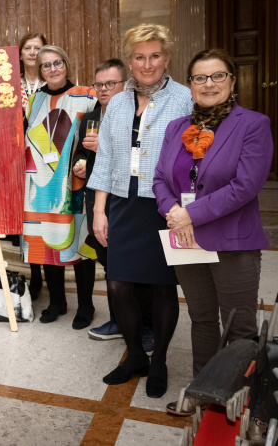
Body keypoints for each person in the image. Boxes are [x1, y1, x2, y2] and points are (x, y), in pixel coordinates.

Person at [153, 49, 272, 415]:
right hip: (186, 243)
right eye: (200, 78)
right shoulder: (176, 127)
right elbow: (159, 179)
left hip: (233, 240)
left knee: (238, 326)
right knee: (202, 320)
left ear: (232, 82)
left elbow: (245, 186)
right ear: (189, 85)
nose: (208, 84)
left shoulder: (252, 124)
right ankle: (200, 392)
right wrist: (172, 210)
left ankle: (239, 401)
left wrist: (188, 214)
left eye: (218, 76)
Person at [89, 24, 193, 398]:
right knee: (118, 284)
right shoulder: (116, 101)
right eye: (139, 56)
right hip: (122, 201)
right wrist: (99, 210)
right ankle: (135, 355)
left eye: (154, 56)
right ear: (129, 60)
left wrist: (189, 208)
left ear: (166, 58)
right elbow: (105, 157)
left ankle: (160, 360)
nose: (147, 64)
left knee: (164, 287)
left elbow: (196, 157)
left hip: (165, 204)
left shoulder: (184, 98)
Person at [77, 60, 155, 348]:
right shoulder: (89, 118)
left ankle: (146, 325)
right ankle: (119, 320)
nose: (104, 90)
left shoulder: (138, 115)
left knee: (137, 265)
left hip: (127, 199)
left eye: (111, 83)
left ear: (126, 84)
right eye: (99, 84)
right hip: (97, 199)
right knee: (110, 263)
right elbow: (78, 155)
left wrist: (106, 148)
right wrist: (81, 163)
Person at [22, 45, 98, 328]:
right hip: (38, 188)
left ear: (66, 64)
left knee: (79, 245)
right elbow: (29, 140)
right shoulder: (34, 101)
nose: (52, 69)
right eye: (46, 65)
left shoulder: (86, 96)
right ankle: (57, 302)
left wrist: (84, 160)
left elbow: (97, 135)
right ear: (39, 70)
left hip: (73, 185)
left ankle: (86, 305)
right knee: (46, 246)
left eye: (57, 63)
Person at [15, 32, 48, 298]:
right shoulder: (11, 84)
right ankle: (34, 275)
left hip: (48, 157)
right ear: (21, 52)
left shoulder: (52, 79)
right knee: (27, 221)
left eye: (38, 48)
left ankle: (52, 272)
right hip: (18, 159)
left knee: (45, 216)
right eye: (28, 47)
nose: (33, 52)